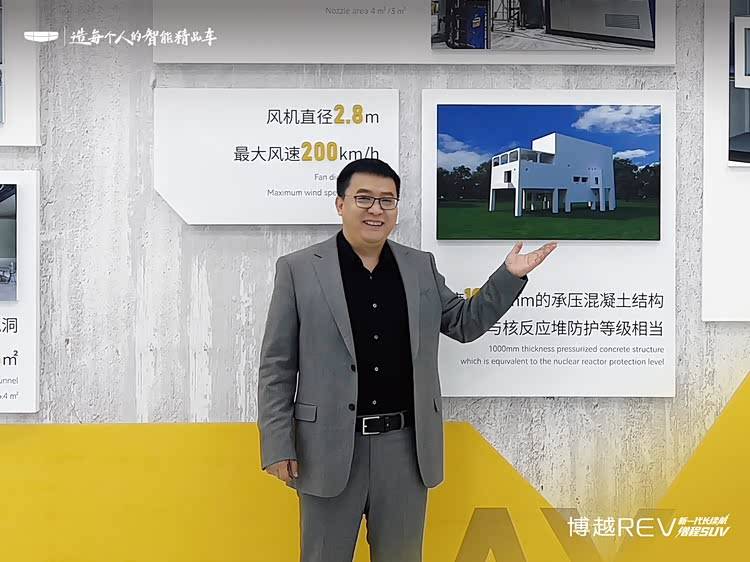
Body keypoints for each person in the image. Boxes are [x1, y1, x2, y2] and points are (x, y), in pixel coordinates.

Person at [257, 159, 556, 562]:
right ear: (340, 204)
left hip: (404, 449)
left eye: (387, 200)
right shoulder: (298, 269)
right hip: (325, 447)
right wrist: (277, 444)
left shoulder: (419, 266)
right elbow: (277, 366)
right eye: (364, 198)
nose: (376, 209)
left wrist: (509, 276)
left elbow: (463, 323)